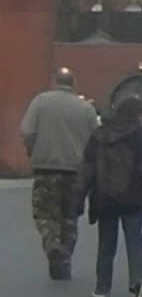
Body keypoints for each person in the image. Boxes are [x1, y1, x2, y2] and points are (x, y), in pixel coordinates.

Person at [76, 95, 142, 297]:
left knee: (106, 243)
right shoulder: (140, 135)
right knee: (135, 240)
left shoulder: (99, 134)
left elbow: (87, 169)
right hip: (133, 197)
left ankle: (102, 286)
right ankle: (140, 280)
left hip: (104, 196)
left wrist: (78, 198)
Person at [21, 67, 98, 281]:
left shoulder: (40, 102)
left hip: (46, 168)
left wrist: (33, 151)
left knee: (45, 214)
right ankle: (64, 255)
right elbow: (96, 139)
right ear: (74, 83)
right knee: (69, 217)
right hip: (76, 171)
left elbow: (27, 131)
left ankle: (52, 244)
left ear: (55, 81)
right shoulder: (86, 108)